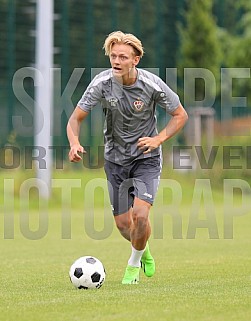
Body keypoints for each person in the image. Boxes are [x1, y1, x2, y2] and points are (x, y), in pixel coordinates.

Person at [67, 31, 188, 285]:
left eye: (123, 56)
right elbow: (75, 119)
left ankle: (132, 267)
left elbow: (180, 115)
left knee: (140, 217)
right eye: (113, 56)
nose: (117, 61)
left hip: (146, 159)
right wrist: (75, 143)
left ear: (136, 60)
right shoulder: (101, 83)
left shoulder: (151, 84)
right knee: (125, 226)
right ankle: (143, 249)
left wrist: (158, 139)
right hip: (114, 161)